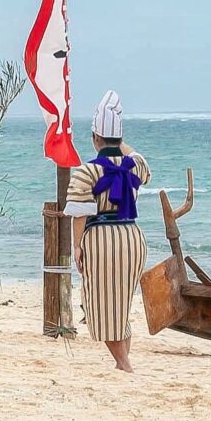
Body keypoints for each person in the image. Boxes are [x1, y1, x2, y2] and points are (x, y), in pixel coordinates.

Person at [65, 90, 152, 373]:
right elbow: (140, 160)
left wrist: (77, 246)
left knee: (102, 302)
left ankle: (123, 363)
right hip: (132, 236)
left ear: (94, 138)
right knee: (121, 302)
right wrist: (119, 144)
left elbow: (80, 214)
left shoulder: (87, 171)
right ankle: (122, 362)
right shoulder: (133, 167)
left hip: (102, 237)